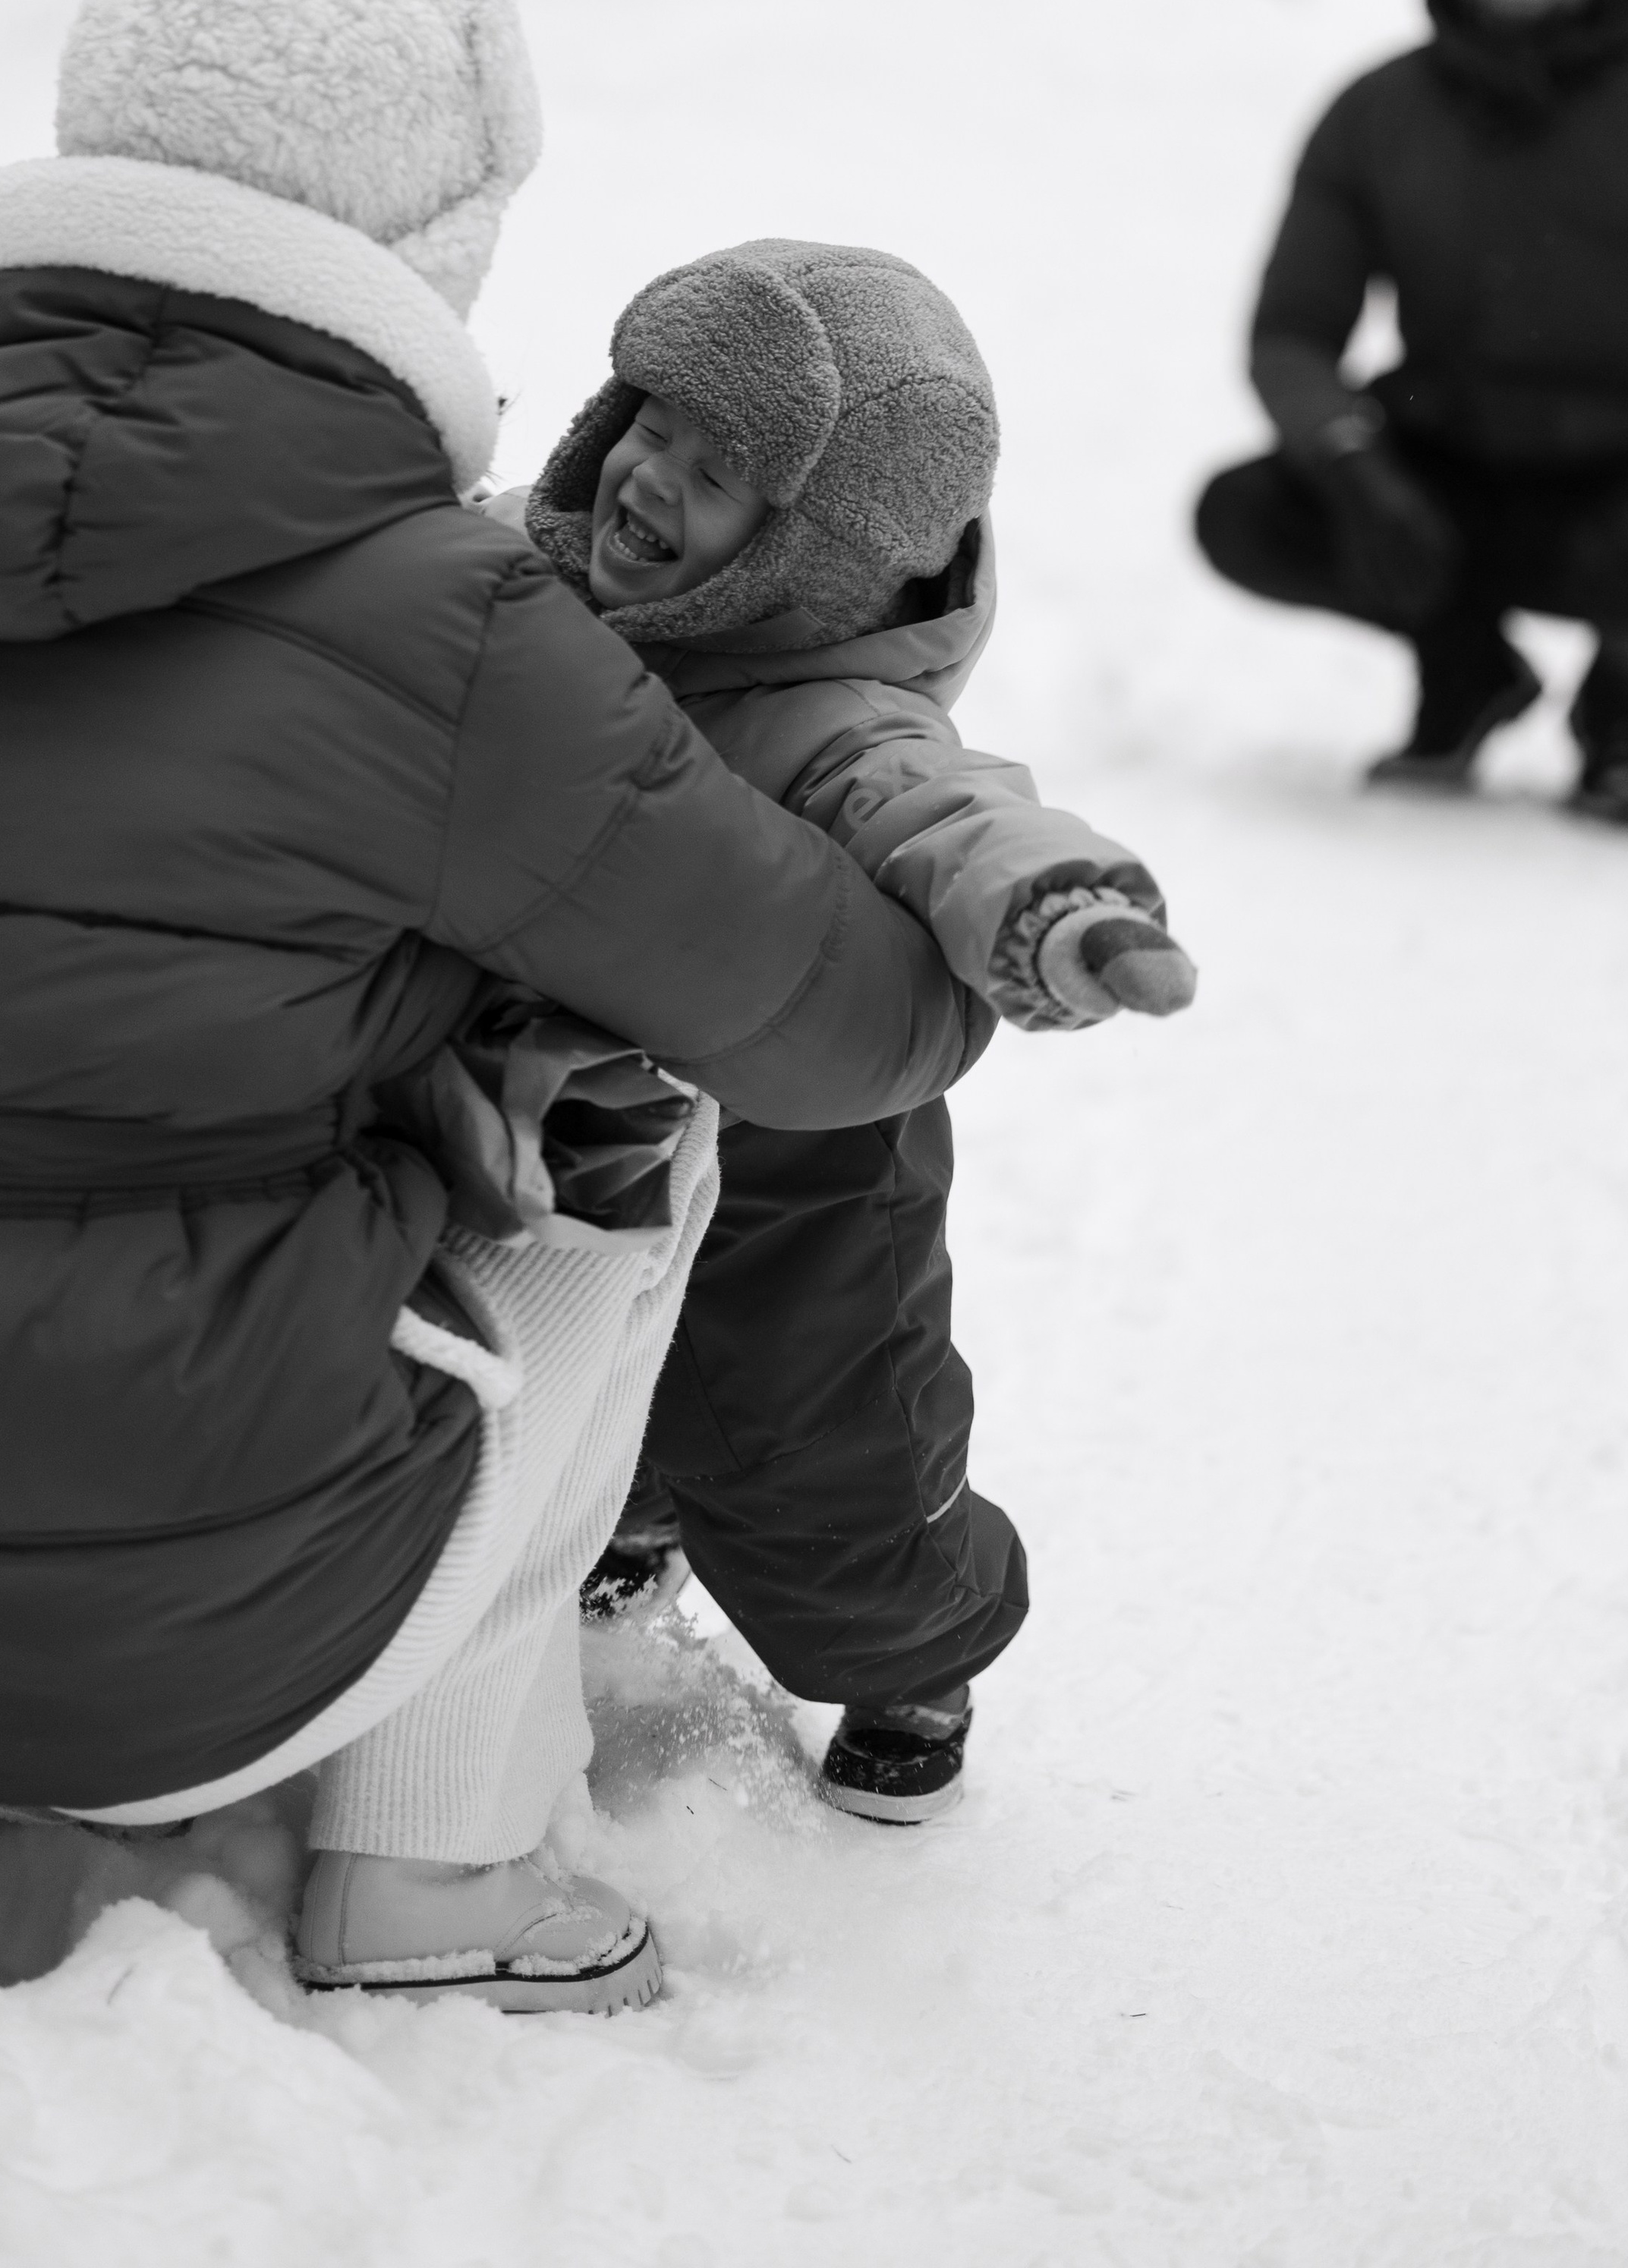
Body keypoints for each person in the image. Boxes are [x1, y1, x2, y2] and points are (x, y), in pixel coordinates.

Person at [0, 0, 990, 2012]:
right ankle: (434, 1869)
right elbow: (845, 1031)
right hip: (191, 1626)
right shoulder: (447, 627)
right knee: (639, 1137)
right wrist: (893, 774)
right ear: (424, 234)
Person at [501, 238, 1195, 1823]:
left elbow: (939, 809)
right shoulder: (527, 598)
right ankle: (639, 1502)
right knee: (567, 1367)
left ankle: (917, 1642)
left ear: (821, 552)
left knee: (818, 1458)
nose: (646, 479)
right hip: (572, 1117)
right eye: (651, 426)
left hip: (788, 1169)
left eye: (720, 469)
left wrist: (1056, 915)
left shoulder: (821, 708)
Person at [1195, 0, 1628, 825]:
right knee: (1248, 513)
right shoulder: (1379, 111)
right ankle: (1465, 673)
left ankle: (1618, 706)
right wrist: (1352, 461)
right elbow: (1291, 333)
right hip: (1443, 477)